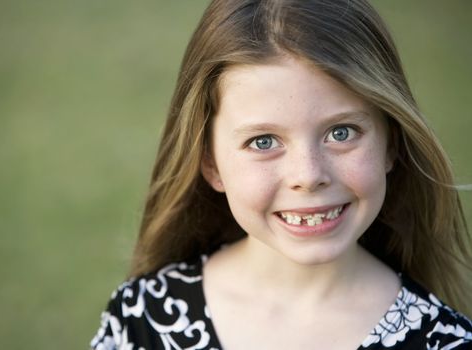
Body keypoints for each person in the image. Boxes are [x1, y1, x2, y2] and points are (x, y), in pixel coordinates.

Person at [91, 0, 472, 349]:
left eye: (341, 133)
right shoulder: (143, 317)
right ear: (210, 162)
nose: (308, 175)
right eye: (263, 141)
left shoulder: (444, 341)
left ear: (391, 144)